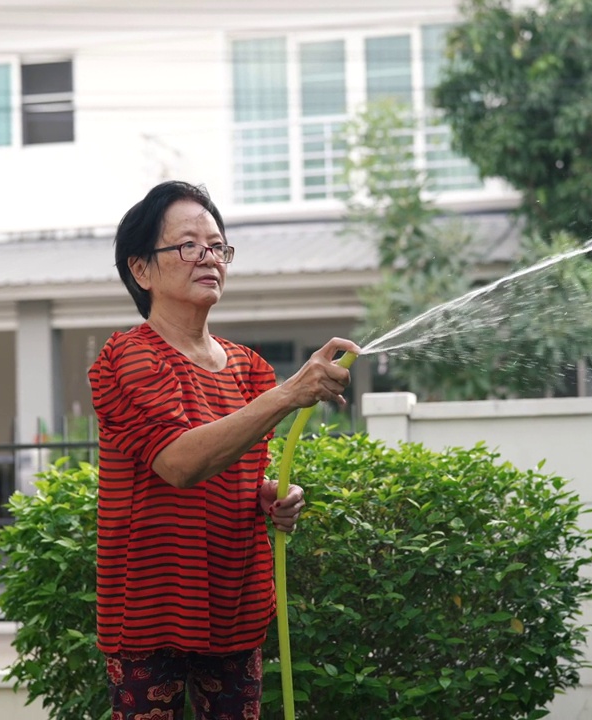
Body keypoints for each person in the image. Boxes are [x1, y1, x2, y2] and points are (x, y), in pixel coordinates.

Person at [89, 180, 359, 720]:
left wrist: (269, 495)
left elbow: (232, 469)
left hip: (235, 609)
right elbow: (181, 463)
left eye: (217, 246)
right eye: (189, 245)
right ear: (141, 269)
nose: (209, 258)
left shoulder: (250, 368)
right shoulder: (128, 357)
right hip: (151, 614)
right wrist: (289, 392)